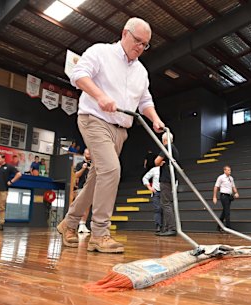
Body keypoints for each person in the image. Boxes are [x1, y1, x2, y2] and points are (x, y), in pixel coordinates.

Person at [57, 17, 165, 254]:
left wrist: (155, 118)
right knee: (111, 170)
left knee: (98, 177)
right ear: (124, 33)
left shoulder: (141, 71)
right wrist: (99, 95)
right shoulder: (100, 52)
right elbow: (78, 74)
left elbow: (145, 100)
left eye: (145, 45)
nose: (140, 47)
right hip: (94, 120)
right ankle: (99, 234)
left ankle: (69, 223)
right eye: (138, 41)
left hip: (120, 130)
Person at [0, 154, 22, 231]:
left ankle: (1, 224)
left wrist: (11, 181)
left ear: (3, 159)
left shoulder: (9, 167)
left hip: (4, 190)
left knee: (2, 208)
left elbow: (19, 174)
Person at [154, 131, 179, 237]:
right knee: (167, 203)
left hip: (166, 179)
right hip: (171, 179)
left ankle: (171, 228)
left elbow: (156, 162)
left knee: (166, 203)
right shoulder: (174, 149)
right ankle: (168, 227)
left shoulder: (167, 147)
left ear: (164, 140)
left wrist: (160, 162)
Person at [212, 165, 239, 231]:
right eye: (228, 170)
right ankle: (228, 227)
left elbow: (233, 187)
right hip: (224, 196)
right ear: (225, 170)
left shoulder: (231, 178)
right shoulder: (221, 177)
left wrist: (236, 192)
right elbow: (216, 187)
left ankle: (219, 226)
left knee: (225, 211)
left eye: (230, 170)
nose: (230, 171)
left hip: (229, 196)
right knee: (227, 211)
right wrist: (214, 197)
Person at [74, 148, 92, 234]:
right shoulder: (79, 164)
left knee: (87, 207)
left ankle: (83, 224)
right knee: (80, 206)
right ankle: (76, 225)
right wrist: (83, 169)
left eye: (90, 154)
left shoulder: (94, 164)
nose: (88, 155)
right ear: (84, 154)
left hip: (90, 188)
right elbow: (76, 175)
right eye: (87, 154)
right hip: (81, 187)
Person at [142, 165, 162, 233]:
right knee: (157, 209)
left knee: (166, 209)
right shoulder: (155, 169)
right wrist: (149, 187)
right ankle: (158, 226)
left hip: (166, 192)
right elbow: (145, 178)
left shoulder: (169, 169)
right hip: (156, 192)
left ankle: (167, 226)